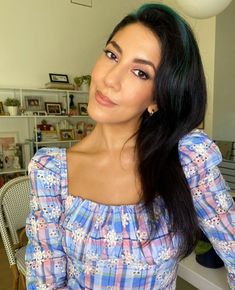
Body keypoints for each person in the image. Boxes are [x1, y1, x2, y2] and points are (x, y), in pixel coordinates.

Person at [25, 3, 235, 289]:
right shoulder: (50, 171)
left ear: (158, 98)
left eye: (140, 73)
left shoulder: (186, 158)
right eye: (112, 55)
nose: (110, 80)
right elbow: (44, 283)